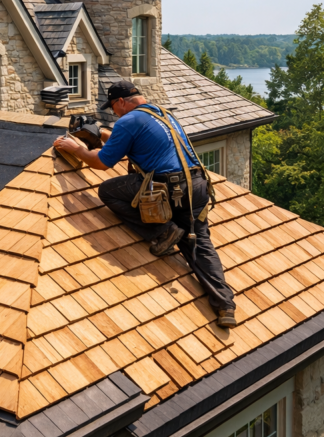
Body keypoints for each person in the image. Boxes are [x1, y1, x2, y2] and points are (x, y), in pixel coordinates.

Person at [52, 81, 237, 329]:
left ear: (120, 102)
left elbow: (103, 163)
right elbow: (135, 140)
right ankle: (225, 306)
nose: (114, 113)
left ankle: (163, 231)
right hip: (196, 187)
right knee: (198, 243)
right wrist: (101, 131)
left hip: (165, 188)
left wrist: (76, 148)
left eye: (113, 108)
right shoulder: (163, 114)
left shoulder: (128, 122)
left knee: (108, 191)